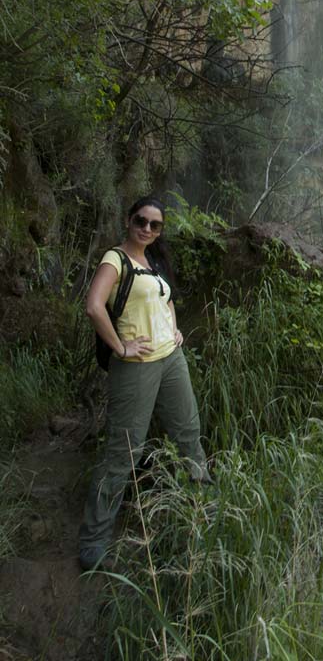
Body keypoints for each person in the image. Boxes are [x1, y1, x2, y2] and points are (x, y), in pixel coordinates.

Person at [78, 195, 211, 571]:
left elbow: (165, 299)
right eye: (142, 221)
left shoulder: (152, 263)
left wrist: (174, 329)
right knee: (123, 452)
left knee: (188, 431)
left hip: (171, 359)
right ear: (128, 220)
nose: (147, 229)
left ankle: (201, 507)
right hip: (135, 367)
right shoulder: (115, 259)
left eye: (155, 225)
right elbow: (93, 305)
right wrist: (120, 346)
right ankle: (94, 540)